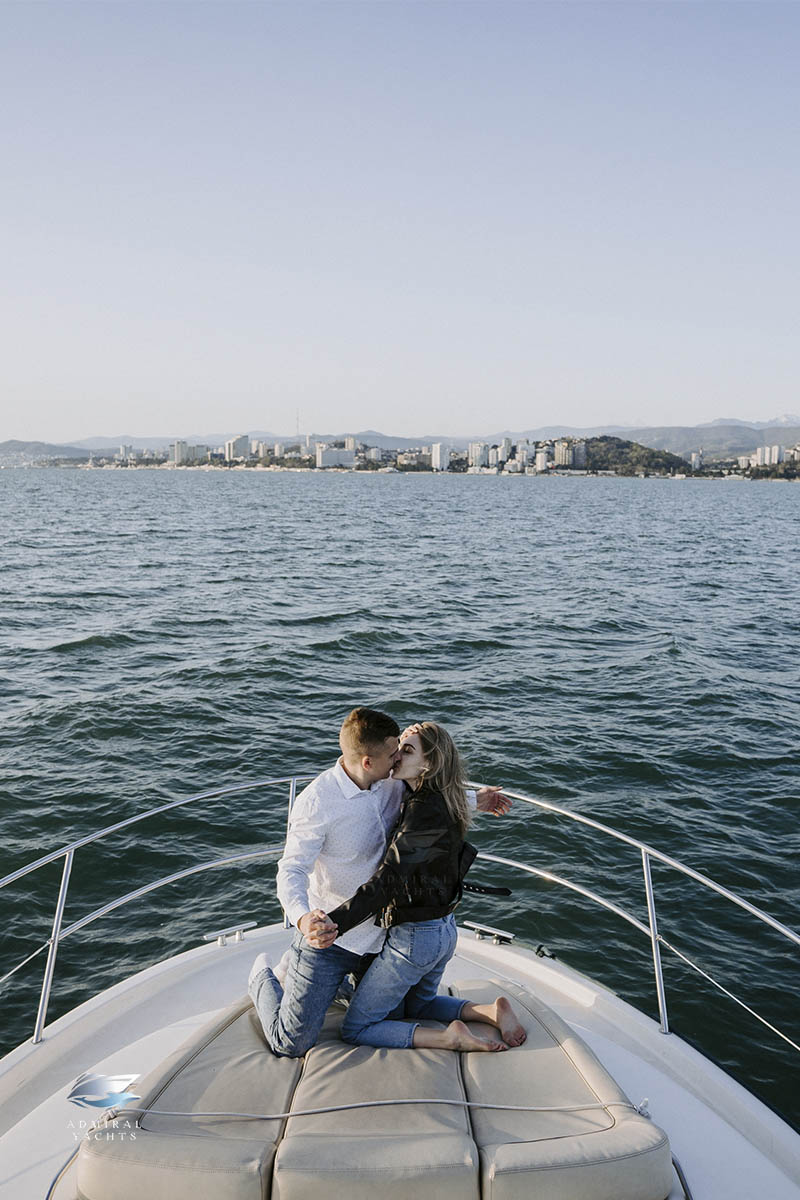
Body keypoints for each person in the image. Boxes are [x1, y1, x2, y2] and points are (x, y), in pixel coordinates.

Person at [248, 707, 511, 1057]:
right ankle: (263, 977)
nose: (398, 758)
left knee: (397, 1016)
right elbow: (291, 869)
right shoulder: (317, 803)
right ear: (368, 762)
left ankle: (327, 985)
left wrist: (474, 799)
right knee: (291, 1044)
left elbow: (428, 801)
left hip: (381, 937)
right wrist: (302, 918)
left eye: (402, 750)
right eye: (393, 753)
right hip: (330, 938)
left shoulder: (392, 780)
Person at [321, 722, 526, 1052]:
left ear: (428, 765)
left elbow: (387, 882)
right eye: (398, 745)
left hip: (416, 940)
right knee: (419, 1007)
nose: (396, 754)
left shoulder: (421, 812)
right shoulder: (436, 798)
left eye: (408, 750)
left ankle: (449, 1038)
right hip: (444, 930)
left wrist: (336, 923)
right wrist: (476, 798)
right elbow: (445, 794)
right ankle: (489, 1012)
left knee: (357, 1028)